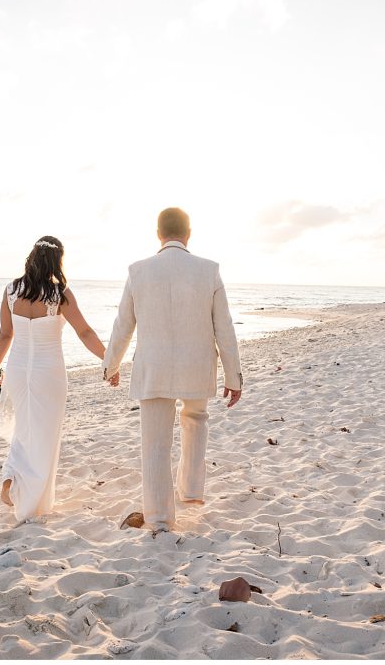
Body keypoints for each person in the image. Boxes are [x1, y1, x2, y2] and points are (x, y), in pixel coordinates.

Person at [102, 207, 243, 532]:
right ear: (188, 233)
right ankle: (191, 490)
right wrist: (233, 376)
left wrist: (111, 365)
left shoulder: (138, 271)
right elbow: (224, 328)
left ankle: (161, 519)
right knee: (195, 420)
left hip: (153, 369)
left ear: (158, 234)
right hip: (196, 367)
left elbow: (123, 324)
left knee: (154, 445)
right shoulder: (209, 270)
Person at [0, 236, 109, 523]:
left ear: (32, 257)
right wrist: (109, 361)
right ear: (58, 260)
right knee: (45, 436)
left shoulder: (11, 290)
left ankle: (12, 480)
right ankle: (30, 500)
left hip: (18, 371)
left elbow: (5, 335)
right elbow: (85, 333)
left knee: (24, 429)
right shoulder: (60, 294)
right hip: (49, 373)